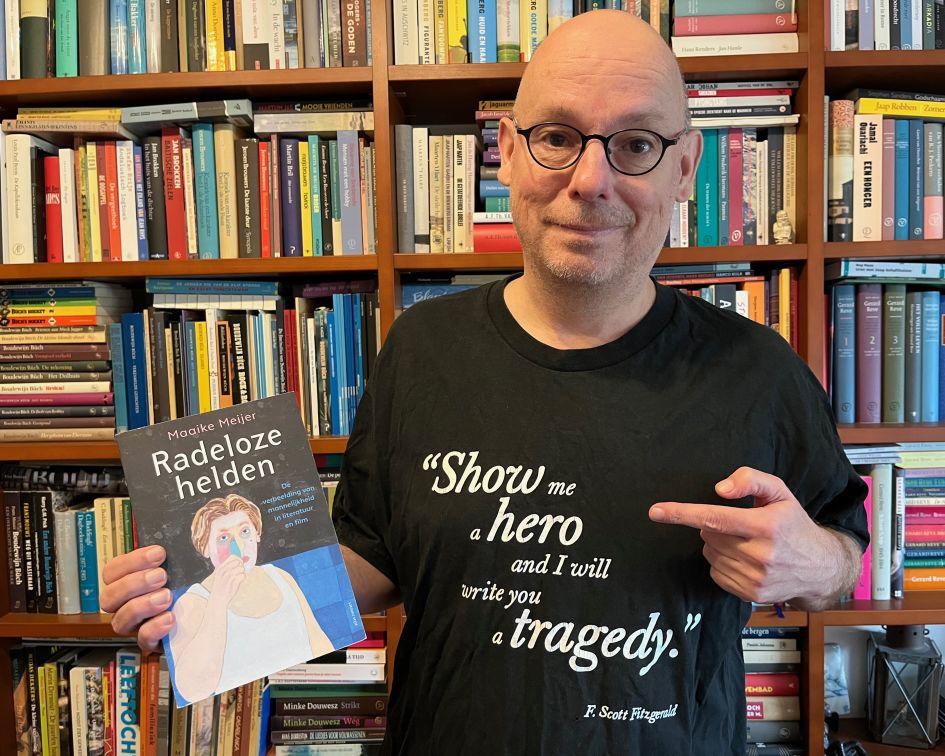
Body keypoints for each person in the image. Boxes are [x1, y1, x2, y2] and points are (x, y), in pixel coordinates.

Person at [101, 10, 868, 753]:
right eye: (557, 137)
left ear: (685, 167)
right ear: (506, 152)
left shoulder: (758, 370)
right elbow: (376, 557)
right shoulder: (421, 350)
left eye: (635, 144)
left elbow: (841, 559)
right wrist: (199, 599)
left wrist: (817, 561)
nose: (590, 179)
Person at [168, 494, 334, 704]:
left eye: (244, 532)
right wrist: (219, 600)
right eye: (223, 538)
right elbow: (192, 691)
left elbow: (320, 645)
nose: (237, 546)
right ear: (205, 548)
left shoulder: (281, 578)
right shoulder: (191, 603)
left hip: (302, 700)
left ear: (257, 534)